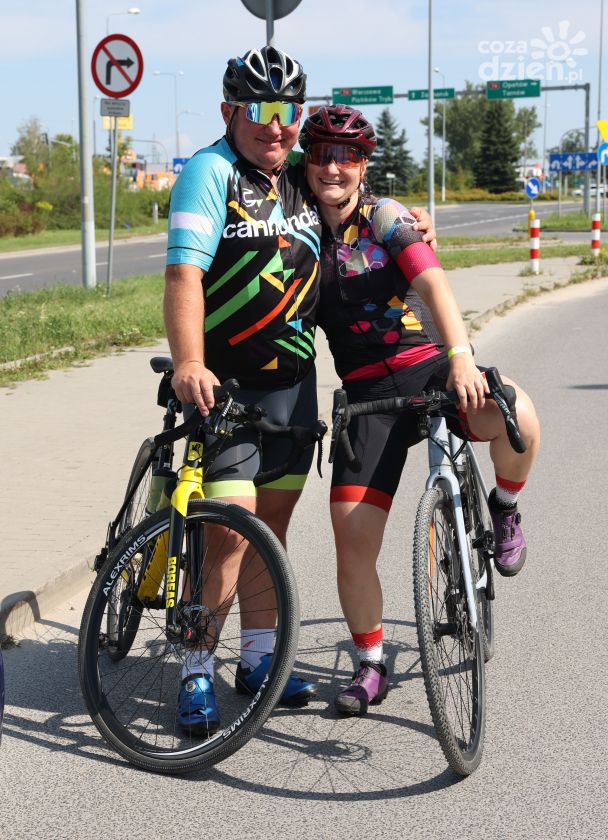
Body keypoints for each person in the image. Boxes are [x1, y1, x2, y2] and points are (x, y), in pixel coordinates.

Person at [163, 48, 436, 735]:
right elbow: (183, 275)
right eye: (259, 109)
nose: (275, 124)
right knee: (229, 535)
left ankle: (258, 661)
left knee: (272, 533)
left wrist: (413, 226)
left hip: (293, 389)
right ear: (229, 112)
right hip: (226, 389)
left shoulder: (299, 183)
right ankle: (196, 668)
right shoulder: (210, 172)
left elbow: (359, 208)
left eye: (288, 110)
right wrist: (189, 360)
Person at [298, 105, 541, 717]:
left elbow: (434, 285)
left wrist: (461, 359)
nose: (333, 167)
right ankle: (371, 663)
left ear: (364, 165)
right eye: (322, 154)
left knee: (519, 415)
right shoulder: (296, 225)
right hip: (367, 397)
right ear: (307, 161)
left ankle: (504, 508)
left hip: (430, 368)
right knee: (351, 538)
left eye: (347, 156)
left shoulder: (385, 217)